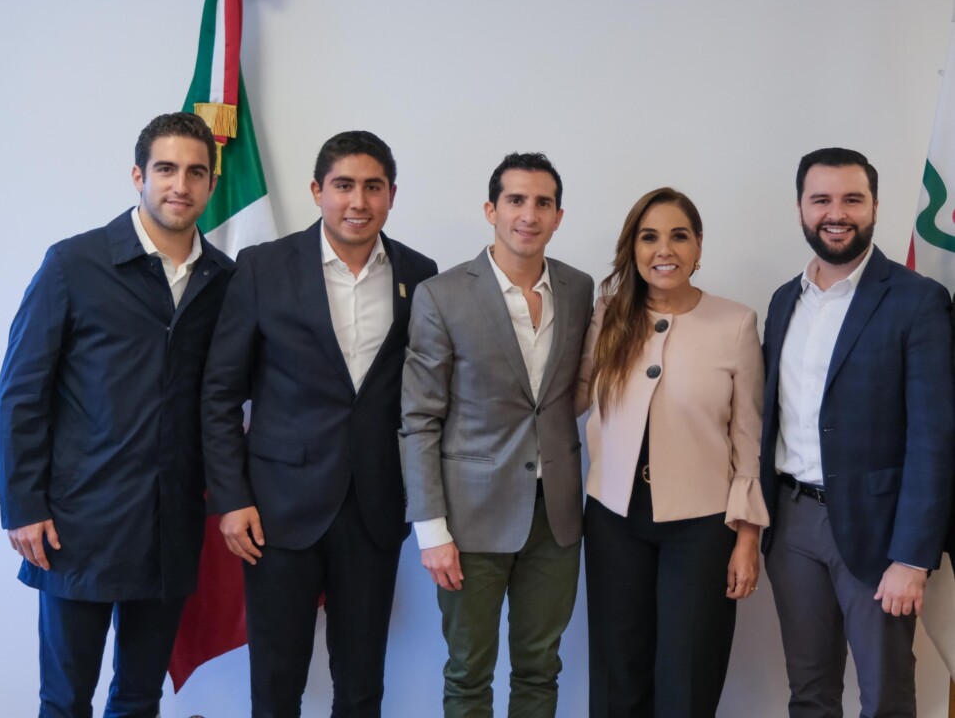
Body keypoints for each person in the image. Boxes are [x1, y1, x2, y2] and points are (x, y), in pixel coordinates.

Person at [0, 112, 232, 718]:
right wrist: (24, 505)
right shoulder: (74, 264)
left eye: (195, 173)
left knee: (138, 697)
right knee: (65, 699)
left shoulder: (225, 280)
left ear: (211, 184)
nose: (180, 184)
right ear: (138, 176)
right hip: (77, 524)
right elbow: (21, 393)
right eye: (166, 169)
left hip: (171, 525)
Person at [201, 130, 437, 717]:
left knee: (361, 684)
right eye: (344, 185)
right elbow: (220, 393)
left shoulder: (420, 274)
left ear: (392, 195)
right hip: (276, 510)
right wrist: (231, 498)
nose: (359, 201)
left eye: (373, 187)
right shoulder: (263, 267)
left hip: (375, 507)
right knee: (276, 683)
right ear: (317, 191)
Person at [761, 147, 955, 717]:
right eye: (821, 199)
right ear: (801, 208)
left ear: (874, 207)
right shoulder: (783, 300)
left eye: (852, 199)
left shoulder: (918, 300)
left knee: (886, 697)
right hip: (792, 524)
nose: (836, 213)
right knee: (809, 694)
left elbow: (934, 439)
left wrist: (912, 559)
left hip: (879, 534)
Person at [400, 152, 593, 717]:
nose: (528, 215)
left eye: (543, 203)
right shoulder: (442, 295)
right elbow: (419, 418)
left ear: (558, 216)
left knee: (540, 668)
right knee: (468, 673)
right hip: (470, 520)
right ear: (491, 210)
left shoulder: (578, 290)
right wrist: (431, 530)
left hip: (556, 517)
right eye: (516, 200)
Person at [574, 187, 767, 717]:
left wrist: (748, 536)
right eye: (649, 237)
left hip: (702, 527)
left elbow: (748, 438)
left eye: (679, 236)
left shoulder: (736, 323)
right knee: (618, 673)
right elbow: (571, 397)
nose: (665, 249)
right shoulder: (609, 315)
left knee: (688, 674)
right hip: (614, 519)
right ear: (633, 248)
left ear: (698, 245)